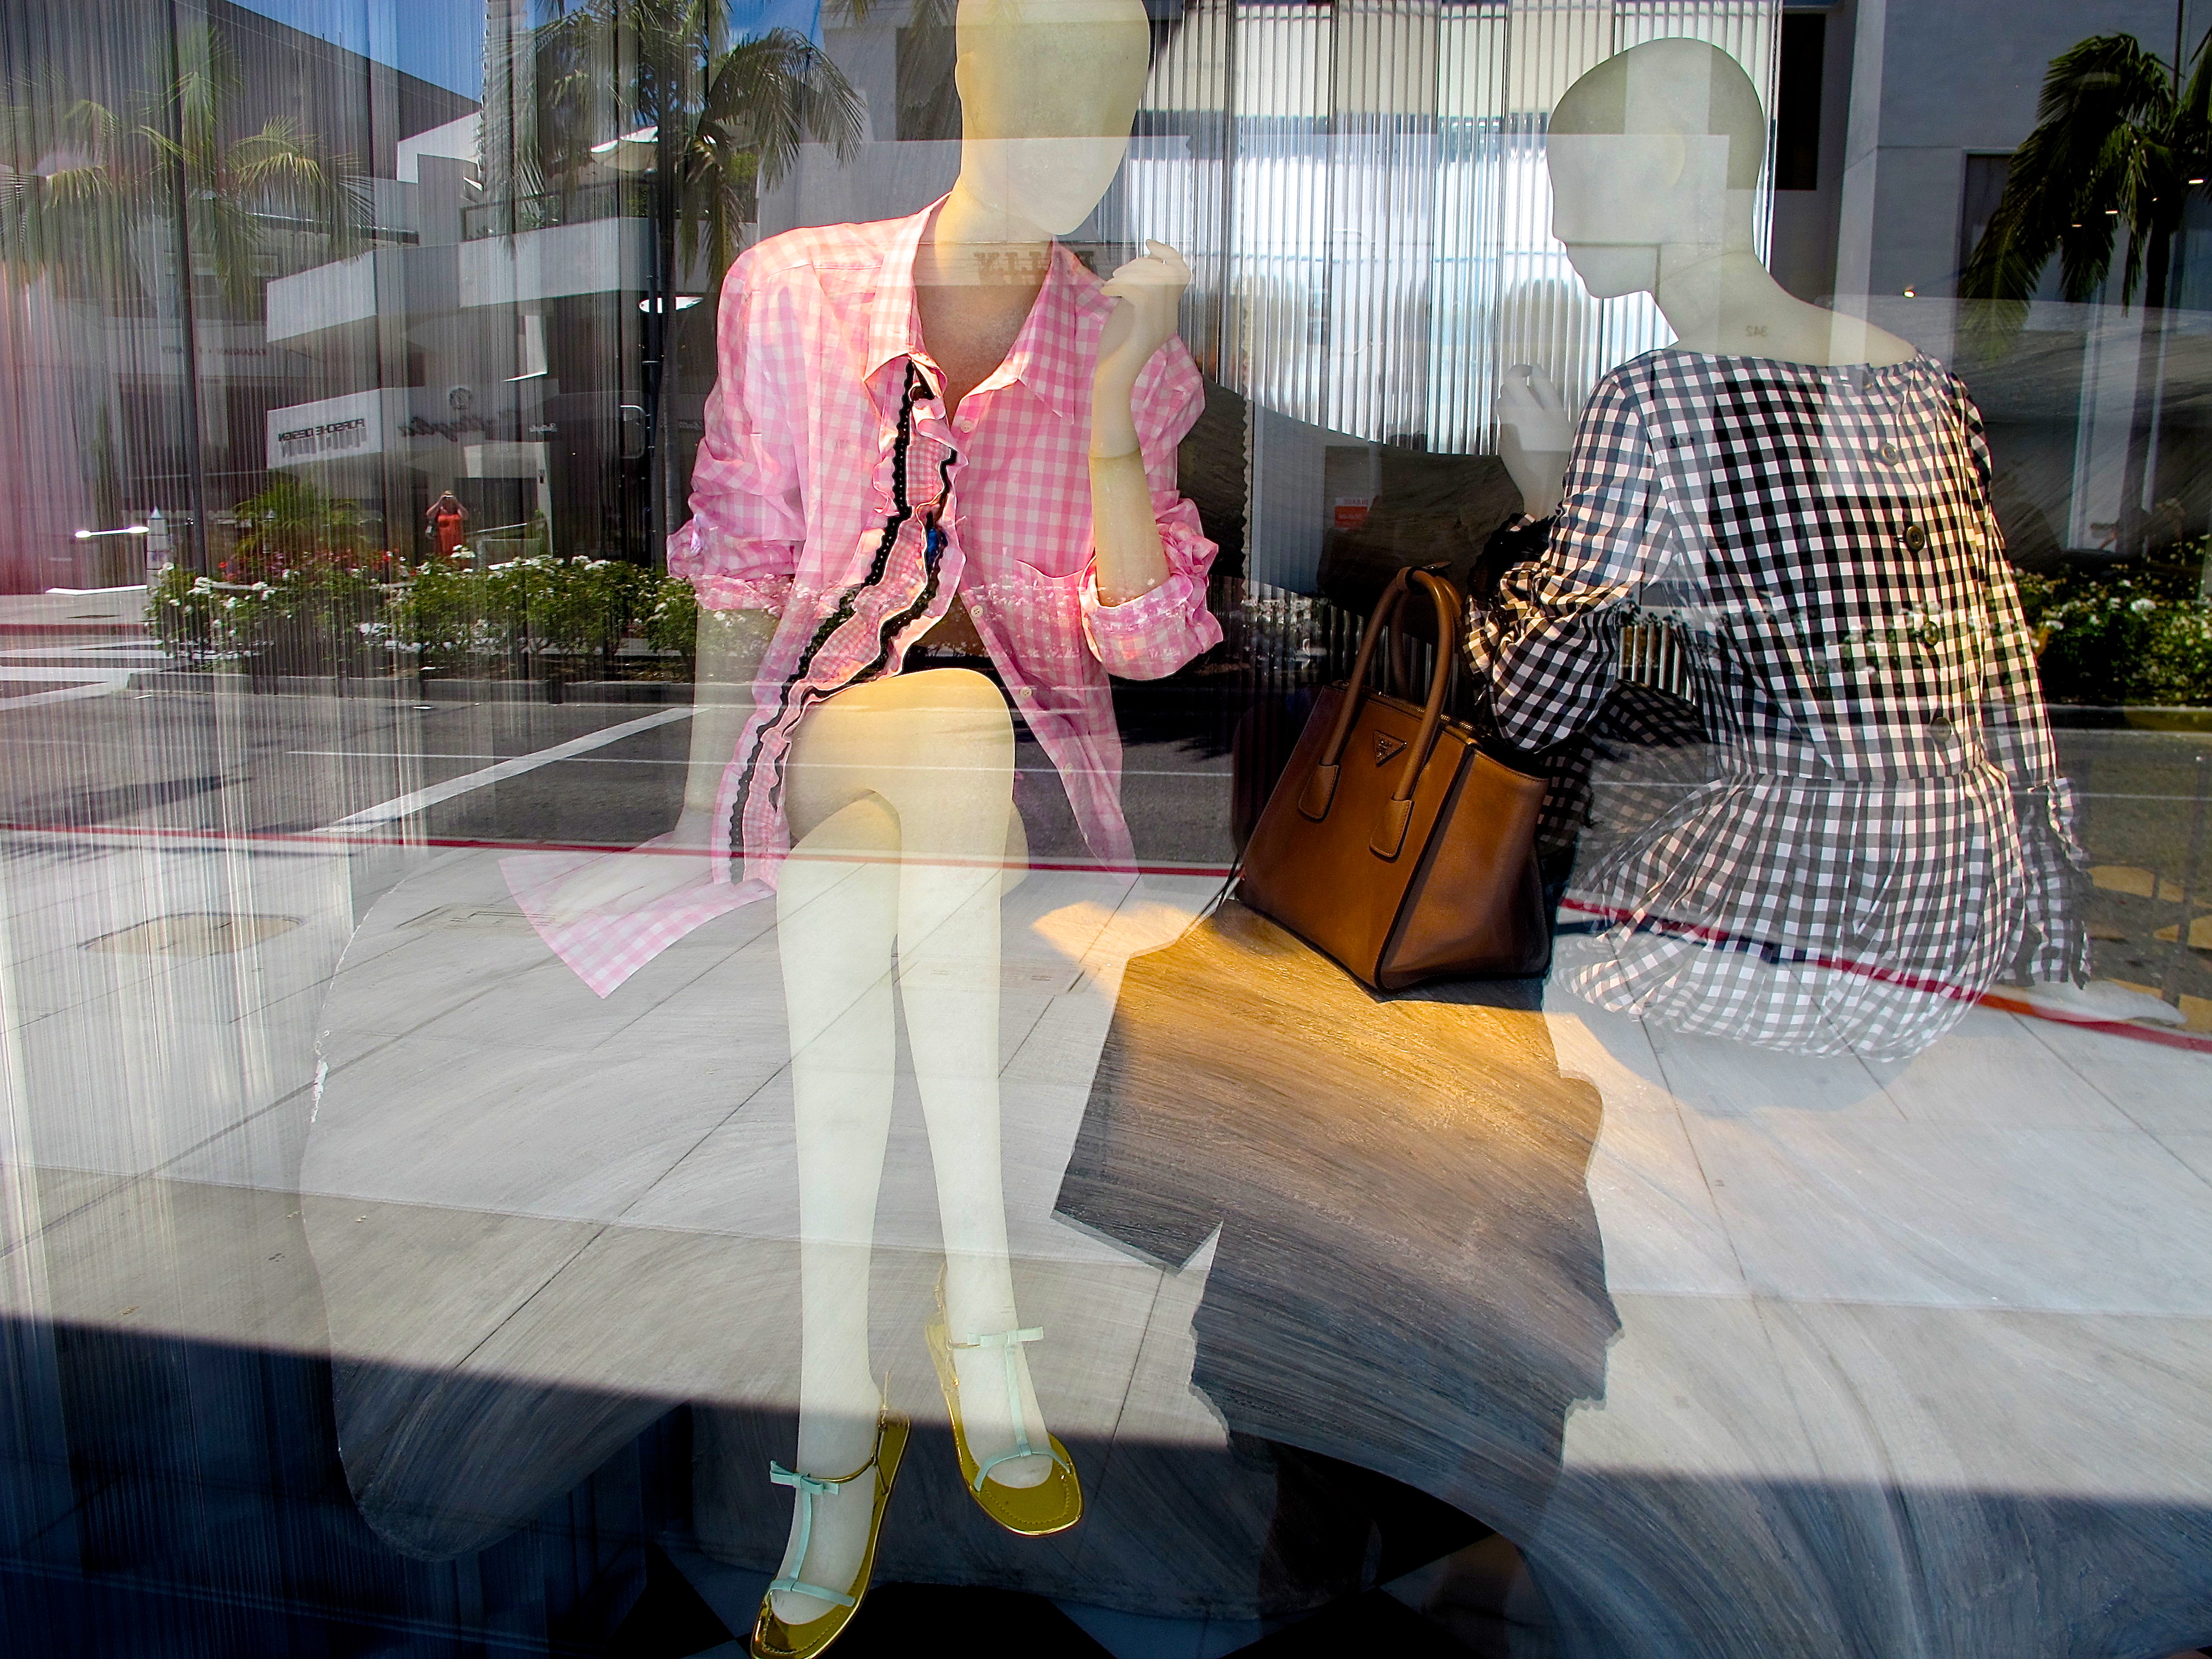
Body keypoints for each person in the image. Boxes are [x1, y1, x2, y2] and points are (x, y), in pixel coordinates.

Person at [1467, 38, 2091, 1061]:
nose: (1558, 221)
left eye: (1573, 174)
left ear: (1668, 166)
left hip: (1802, 889)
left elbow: (1535, 710)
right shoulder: (1926, 389)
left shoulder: (1660, 397)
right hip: (1961, 906)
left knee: (1548, 939)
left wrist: (1542, 498)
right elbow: (2002, 671)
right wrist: (2053, 921)